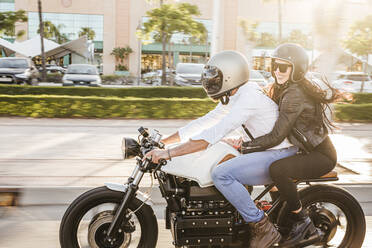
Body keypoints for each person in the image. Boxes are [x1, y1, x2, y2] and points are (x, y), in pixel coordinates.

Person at [145, 50, 298, 248]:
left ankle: (261, 226)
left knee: (221, 174)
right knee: (218, 156)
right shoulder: (237, 94)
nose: (210, 82)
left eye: (215, 78)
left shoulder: (248, 98)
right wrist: (165, 142)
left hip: (278, 154)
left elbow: (213, 133)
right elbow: (206, 121)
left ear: (230, 77)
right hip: (265, 152)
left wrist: (167, 153)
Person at [240, 43, 338, 247]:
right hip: (304, 151)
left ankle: (301, 220)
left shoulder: (295, 94)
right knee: (268, 164)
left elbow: (276, 135)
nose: (277, 70)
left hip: (321, 156)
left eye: (283, 67)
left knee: (278, 169)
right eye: (274, 65)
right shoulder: (284, 88)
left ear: (296, 69)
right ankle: (278, 219)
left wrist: (245, 146)